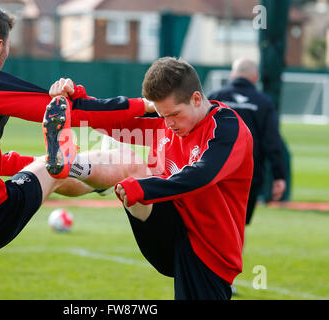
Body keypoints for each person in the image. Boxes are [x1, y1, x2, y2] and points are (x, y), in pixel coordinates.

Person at [0, 1, 151, 300]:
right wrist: (146, 105)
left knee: (47, 167)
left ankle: (67, 166)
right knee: (57, 168)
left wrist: (27, 164)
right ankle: (96, 171)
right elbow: (71, 109)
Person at [46, 57, 254, 300]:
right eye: (162, 115)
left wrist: (144, 189)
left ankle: (81, 173)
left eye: (174, 115)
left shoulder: (227, 128)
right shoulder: (168, 122)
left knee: (134, 172)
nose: (168, 124)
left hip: (210, 251)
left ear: (196, 99)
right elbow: (114, 121)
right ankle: (47, 166)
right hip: (168, 232)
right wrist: (77, 100)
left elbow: (202, 175)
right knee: (127, 164)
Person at [207, 58, 287, 225]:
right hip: (250, 174)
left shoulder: (215, 97)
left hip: (215, 171)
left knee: (215, 223)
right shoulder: (264, 103)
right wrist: (279, 176)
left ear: (232, 75)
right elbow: (272, 141)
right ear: (255, 77)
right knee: (238, 225)